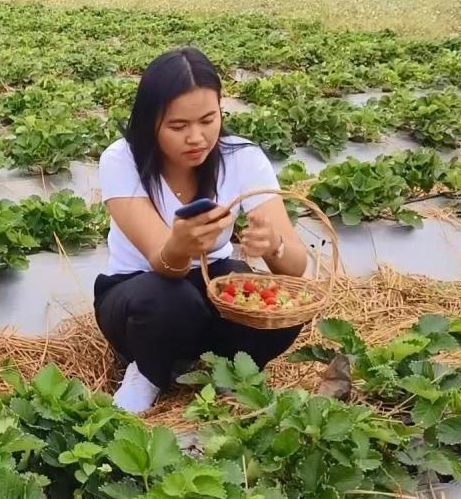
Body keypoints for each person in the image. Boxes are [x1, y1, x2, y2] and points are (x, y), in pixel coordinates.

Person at [93, 47, 309, 413]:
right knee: (171, 301)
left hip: (210, 283)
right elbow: (164, 264)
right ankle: (148, 369)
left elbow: (295, 267)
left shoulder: (242, 157)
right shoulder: (122, 160)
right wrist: (181, 243)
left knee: (275, 306)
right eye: (179, 126)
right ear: (150, 122)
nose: (197, 137)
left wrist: (273, 246)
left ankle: (228, 370)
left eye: (208, 120)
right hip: (139, 294)